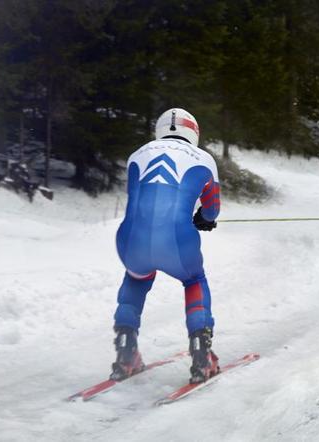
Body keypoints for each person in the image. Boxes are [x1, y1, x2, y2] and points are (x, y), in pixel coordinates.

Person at [110, 108, 221, 384]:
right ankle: (201, 353)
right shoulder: (204, 159)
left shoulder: (137, 153)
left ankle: (126, 350)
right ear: (193, 131)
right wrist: (204, 219)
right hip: (177, 241)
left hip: (130, 239)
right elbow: (212, 209)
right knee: (195, 280)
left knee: (136, 279)